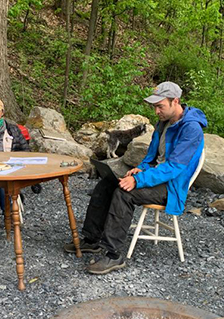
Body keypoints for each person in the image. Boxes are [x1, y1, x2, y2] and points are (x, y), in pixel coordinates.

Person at [64, 81, 207, 274]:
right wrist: (140, 169)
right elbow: (151, 156)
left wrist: (138, 181)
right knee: (107, 183)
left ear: (176, 101)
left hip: (172, 185)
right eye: (154, 106)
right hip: (157, 176)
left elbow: (173, 169)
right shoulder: (164, 122)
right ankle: (91, 240)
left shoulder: (191, 129)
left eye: (160, 106)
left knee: (124, 193)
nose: (156, 111)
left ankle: (113, 255)